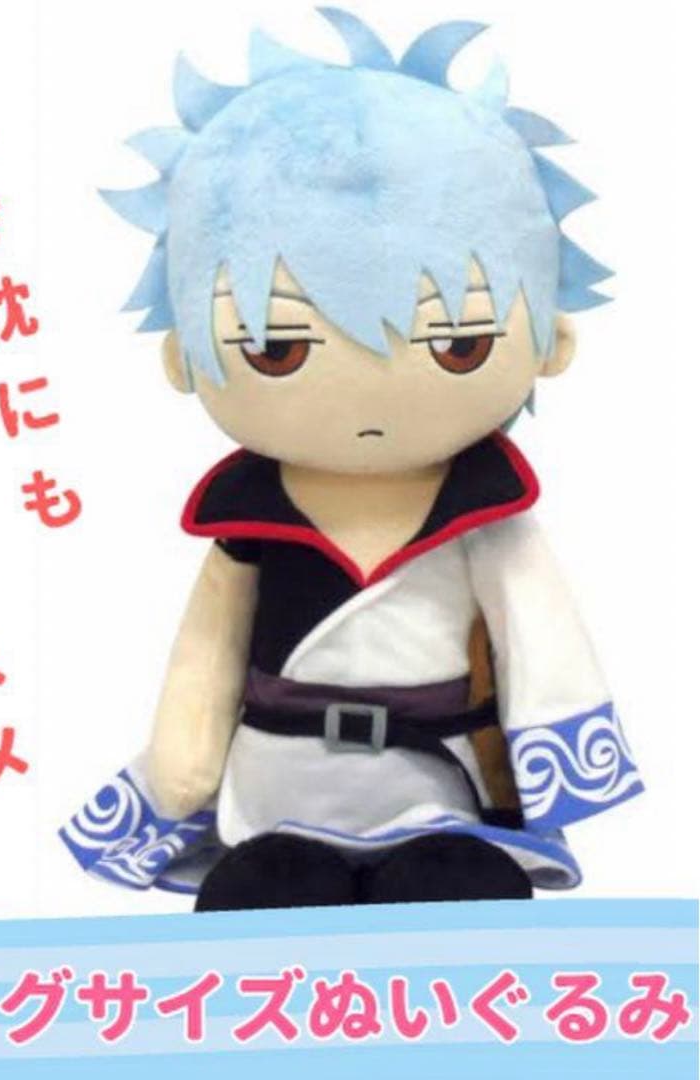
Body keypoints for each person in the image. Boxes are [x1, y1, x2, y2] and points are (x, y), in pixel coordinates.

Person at [62, 9, 642, 910]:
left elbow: (540, 631)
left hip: (437, 783)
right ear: (184, 358)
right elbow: (209, 648)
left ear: (550, 340)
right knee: (271, 890)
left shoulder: (488, 514)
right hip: (278, 786)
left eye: (457, 344)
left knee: (451, 885)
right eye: (276, 349)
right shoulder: (247, 521)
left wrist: (552, 755)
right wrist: (184, 757)